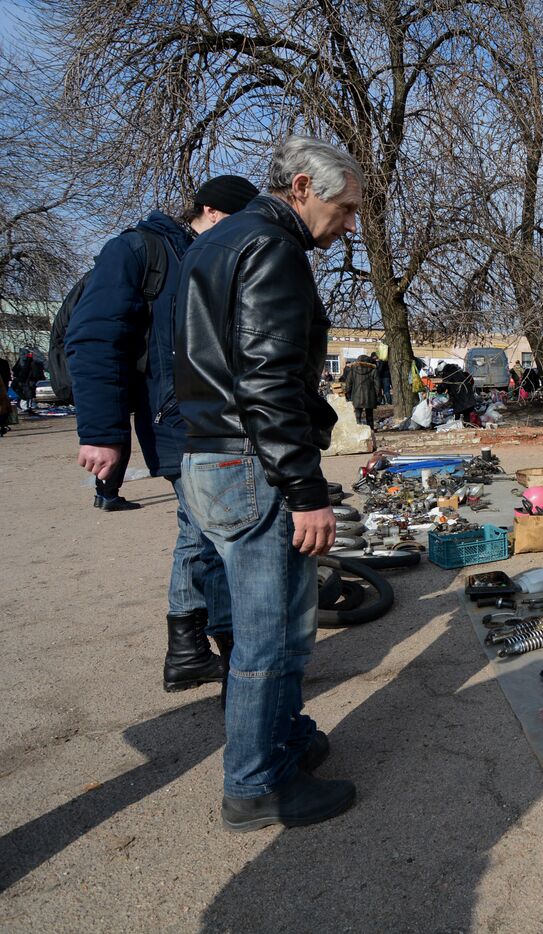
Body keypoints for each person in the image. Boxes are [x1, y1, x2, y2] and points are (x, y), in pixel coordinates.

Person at [175, 136, 360, 831]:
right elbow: (267, 380)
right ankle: (256, 784)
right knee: (272, 632)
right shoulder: (272, 248)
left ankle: (279, 739)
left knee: (268, 623)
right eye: (344, 210)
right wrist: (306, 491)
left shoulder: (218, 242)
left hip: (212, 455)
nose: (349, 227)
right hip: (250, 461)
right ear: (305, 187)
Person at [66, 175, 257, 691]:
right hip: (177, 420)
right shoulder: (138, 251)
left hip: (219, 419)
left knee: (199, 531)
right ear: (214, 212)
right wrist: (103, 433)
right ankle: (231, 659)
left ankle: (189, 648)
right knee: (213, 535)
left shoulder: (219, 258)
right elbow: (94, 339)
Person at [343, 353, 379, 425]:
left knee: (357, 414)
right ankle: (370, 428)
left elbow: (348, 383)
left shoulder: (353, 370)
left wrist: (348, 394)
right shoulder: (373, 370)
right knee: (369, 414)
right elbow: (377, 384)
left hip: (356, 395)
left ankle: (358, 428)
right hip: (369, 396)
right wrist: (378, 396)